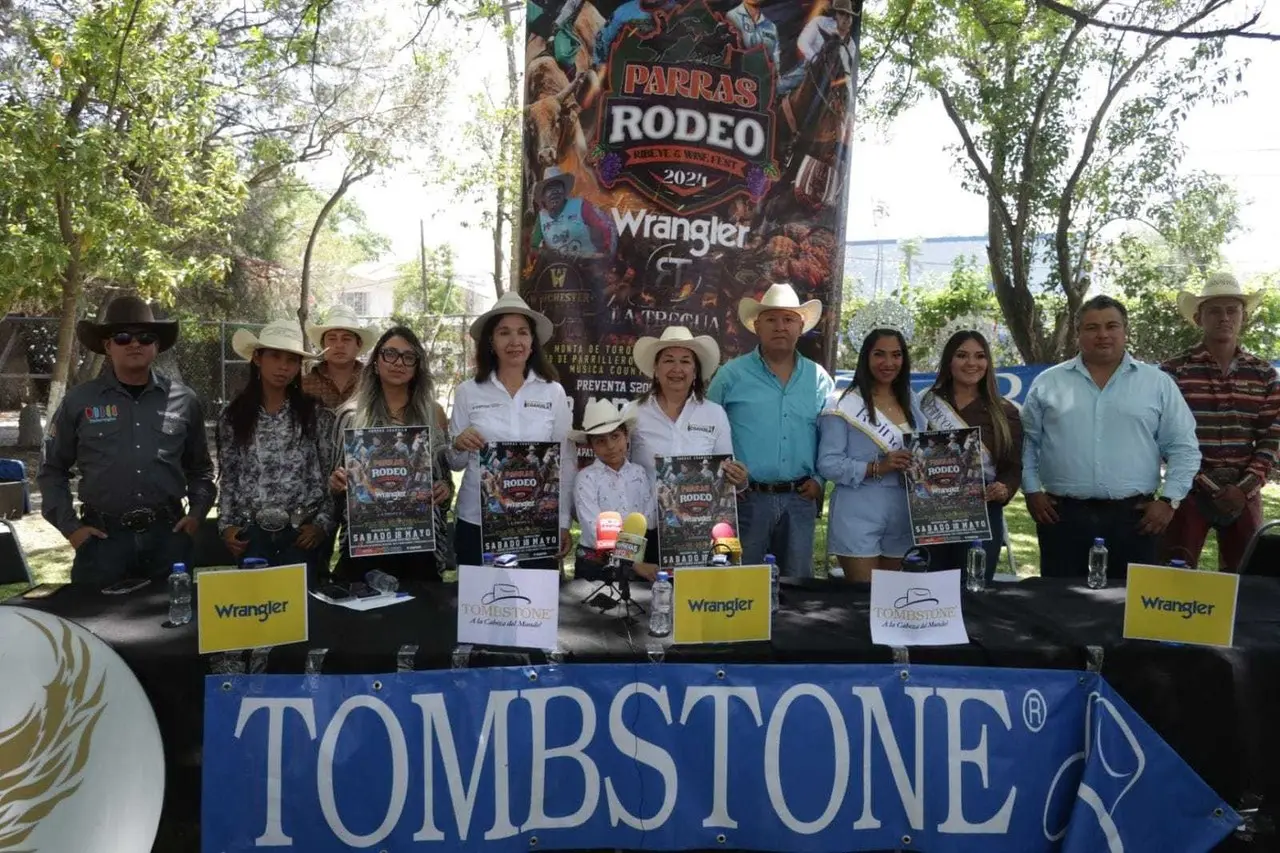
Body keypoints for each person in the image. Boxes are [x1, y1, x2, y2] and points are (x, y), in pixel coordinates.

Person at [1022, 295, 1201, 580]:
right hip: (1061, 517)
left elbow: (1184, 447)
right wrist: (1031, 490)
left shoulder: (1157, 384)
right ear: (1078, 333)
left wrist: (1169, 501)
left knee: (1132, 612)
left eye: (1111, 326)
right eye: (1092, 327)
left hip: (1136, 519)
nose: (1102, 334)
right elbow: (1029, 442)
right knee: (1060, 609)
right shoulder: (1048, 382)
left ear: (1125, 330)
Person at [38, 296, 215, 584]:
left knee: (172, 623)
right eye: (122, 337)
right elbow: (52, 470)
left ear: (156, 346)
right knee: (93, 626)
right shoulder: (79, 401)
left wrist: (196, 514)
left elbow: (201, 469)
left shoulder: (184, 401)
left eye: (145, 337)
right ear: (108, 346)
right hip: (103, 541)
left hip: (168, 538)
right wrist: (73, 529)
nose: (134, 344)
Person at [707, 283, 832, 577]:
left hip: (800, 501)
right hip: (747, 501)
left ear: (800, 327)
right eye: (771, 319)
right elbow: (705, 431)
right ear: (756, 326)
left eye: (788, 319)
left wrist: (819, 480)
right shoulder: (731, 375)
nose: (780, 327)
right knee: (741, 587)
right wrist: (724, 480)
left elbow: (831, 438)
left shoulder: (819, 379)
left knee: (798, 589)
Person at [1161, 273, 1280, 571]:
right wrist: (1209, 485)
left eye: (1232, 310)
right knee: (1174, 574)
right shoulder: (1173, 371)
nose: (1224, 317)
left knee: (1249, 578)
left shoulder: (1264, 374)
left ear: (1244, 316)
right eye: (1214, 310)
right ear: (1199, 318)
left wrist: (1245, 487)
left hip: (1245, 492)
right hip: (1187, 489)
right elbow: (1164, 436)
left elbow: (1272, 436)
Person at [449, 292, 575, 569]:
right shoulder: (467, 392)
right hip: (478, 520)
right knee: (480, 606)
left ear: (532, 343)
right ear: (491, 342)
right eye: (504, 333)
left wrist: (562, 521)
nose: (514, 341)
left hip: (538, 519)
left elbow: (565, 461)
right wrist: (458, 445)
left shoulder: (553, 392)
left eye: (522, 333)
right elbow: (456, 464)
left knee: (536, 607)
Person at [327, 326, 454, 583]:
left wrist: (443, 489)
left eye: (409, 357)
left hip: (419, 543)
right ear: (375, 362)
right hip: (367, 540)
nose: (399, 363)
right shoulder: (350, 416)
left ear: (417, 366)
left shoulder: (434, 413)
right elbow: (333, 484)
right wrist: (337, 483)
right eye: (390, 354)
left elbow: (445, 480)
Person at [217, 320, 333, 582]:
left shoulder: (314, 414)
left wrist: (321, 525)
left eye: (292, 360)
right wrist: (226, 527)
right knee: (258, 609)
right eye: (275, 357)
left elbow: (329, 474)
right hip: (252, 534)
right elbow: (230, 476)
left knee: (302, 612)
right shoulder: (234, 416)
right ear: (258, 358)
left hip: (301, 534)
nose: (283, 367)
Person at [818, 328, 924, 583]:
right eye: (880, 354)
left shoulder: (912, 400)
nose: (888, 363)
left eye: (896, 355)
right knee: (864, 600)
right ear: (866, 357)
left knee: (891, 600)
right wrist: (879, 467)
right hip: (858, 510)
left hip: (903, 511)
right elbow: (828, 464)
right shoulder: (841, 403)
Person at [919, 330, 1023, 580]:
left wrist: (1004, 488)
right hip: (933, 510)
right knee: (932, 590)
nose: (972, 363)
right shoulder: (924, 403)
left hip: (982, 511)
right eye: (962, 355)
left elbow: (1013, 466)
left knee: (974, 592)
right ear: (949, 361)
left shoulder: (1004, 411)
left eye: (980, 356)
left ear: (988, 362)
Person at [570, 399, 657, 582]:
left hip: (637, 558)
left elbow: (647, 518)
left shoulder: (639, 473)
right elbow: (595, 530)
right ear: (591, 446)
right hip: (596, 564)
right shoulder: (586, 478)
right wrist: (632, 563)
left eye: (615, 436)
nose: (610, 446)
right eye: (600, 441)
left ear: (626, 436)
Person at [528, 168, 614, 259]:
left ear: (564, 191)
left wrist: (605, 250)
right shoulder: (542, 218)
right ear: (543, 196)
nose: (554, 192)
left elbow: (601, 226)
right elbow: (534, 246)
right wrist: (541, 253)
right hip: (558, 268)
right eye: (549, 189)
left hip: (588, 264)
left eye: (557, 187)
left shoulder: (580, 205)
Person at [303, 305, 376, 409]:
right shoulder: (306, 384)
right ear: (323, 344)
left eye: (346, 339)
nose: (339, 345)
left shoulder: (373, 382)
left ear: (358, 344)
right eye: (332, 339)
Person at [778, 0, 856, 94]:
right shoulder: (820, 22)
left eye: (849, 15)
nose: (845, 18)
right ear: (835, 14)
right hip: (809, 68)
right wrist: (816, 61)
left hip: (831, 79)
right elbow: (803, 42)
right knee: (781, 86)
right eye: (842, 13)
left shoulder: (851, 45)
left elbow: (847, 69)